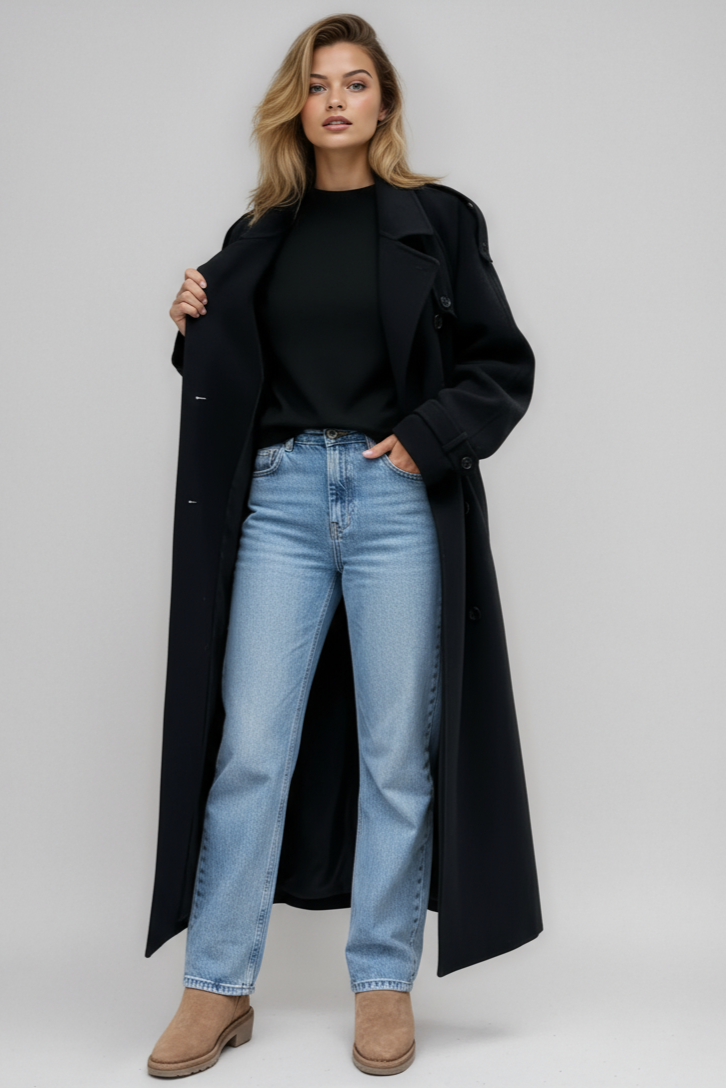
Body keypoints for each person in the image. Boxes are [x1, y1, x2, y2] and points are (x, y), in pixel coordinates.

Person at [146, 12, 541, 1080]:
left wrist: (425, 437)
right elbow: (233, 383)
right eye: (318, 84)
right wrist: (194, 328)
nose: (335, 100)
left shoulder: (439, 220)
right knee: (250, 747)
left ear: (383, 103)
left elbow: (502, 364)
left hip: (394, 500)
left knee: (393, 753)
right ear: (297, 103)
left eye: (356, 83)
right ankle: (217, 985)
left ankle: (381, 983)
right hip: (279, 500)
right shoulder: (255, 233)